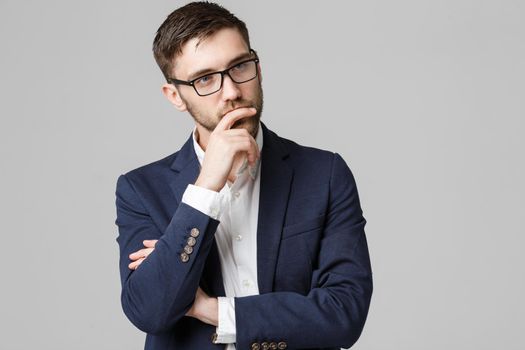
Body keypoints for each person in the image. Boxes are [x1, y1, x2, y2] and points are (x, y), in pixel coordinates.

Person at [114, 2, 373, 349]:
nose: (232, 91)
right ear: (175, 96)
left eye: (239, 67)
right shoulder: (141, 190)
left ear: (259, 67)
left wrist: (213, 310)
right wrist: (205, 187)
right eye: (205, 79)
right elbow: (150, 311)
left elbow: (344, 315)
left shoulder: (324, 175)